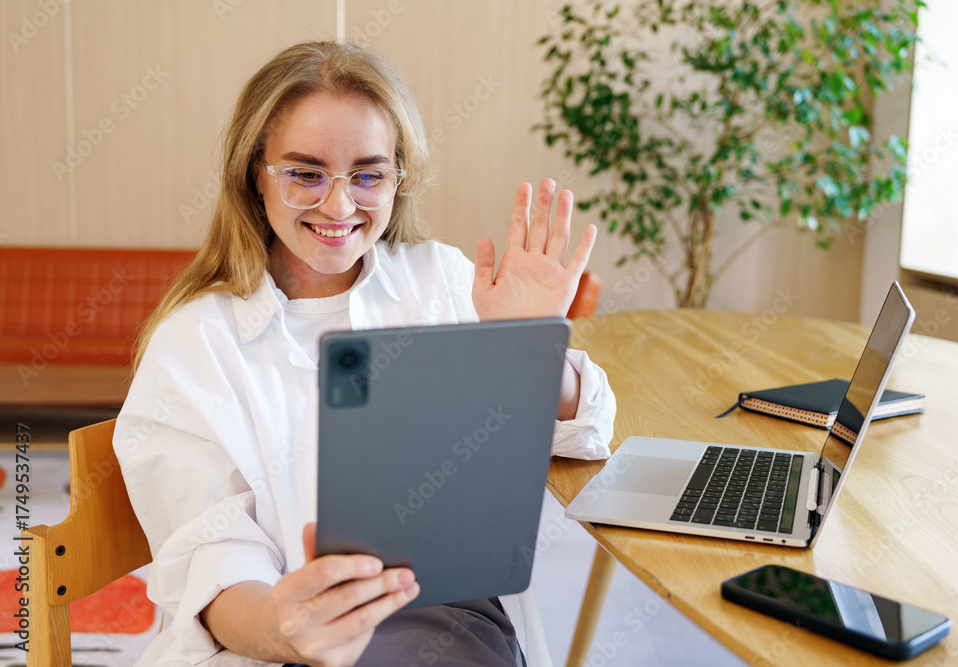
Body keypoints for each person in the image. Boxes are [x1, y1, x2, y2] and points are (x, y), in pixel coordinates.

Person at [113, 41, 615, 666]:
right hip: (272, 645)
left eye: (368, 175)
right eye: (305, 173)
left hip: (451, 625)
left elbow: (587, 435)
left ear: (398, 177)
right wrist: (287, 628)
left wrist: (530, 347)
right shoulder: (195, 342)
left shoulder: (441, 281)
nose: (339, 205)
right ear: (254, 173)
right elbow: (208, 560)